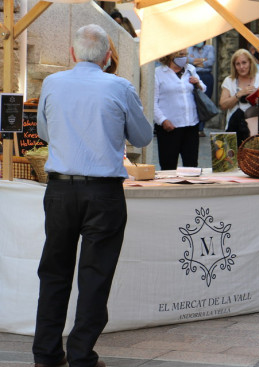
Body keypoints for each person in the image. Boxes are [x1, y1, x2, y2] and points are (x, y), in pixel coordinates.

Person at [33, 24, 152, 367]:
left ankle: (46, 355)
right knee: (95, 275)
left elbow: (44, 131)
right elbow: (142, 137)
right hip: (103, 193)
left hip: (59, 189)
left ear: (72, 54)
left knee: (54, 272)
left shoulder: (52, 83)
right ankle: (82, 355)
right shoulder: (119, 85)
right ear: (108, 56)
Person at [154, 49, 205, 170]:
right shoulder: (158, 73)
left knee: (192, 165)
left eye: (185, 55)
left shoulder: (190, 69)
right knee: (168, 166)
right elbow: (152, 102)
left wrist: (198, 83)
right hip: (170, 127)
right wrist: (162, 120)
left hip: (191, 124)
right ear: (170, 56)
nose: (184, 58)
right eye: (180, 55)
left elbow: (203, 89)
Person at [220, 49, 259, 148]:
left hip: (256, 129)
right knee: (233, 160)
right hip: (234, 128)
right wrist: (239, 94)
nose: (241, 67)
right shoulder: (229, 81)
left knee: (256, 161)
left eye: (244, 63)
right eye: (238, 64)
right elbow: (223, 105)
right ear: (234, 66)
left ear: (250, 62)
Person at [188, 41, 216, 136]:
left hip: (206, 76)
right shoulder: (190, 48)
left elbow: (210, 62)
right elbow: (189, 61)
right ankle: (195, 126)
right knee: (194, 100)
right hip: (195, 76)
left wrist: (196, 61)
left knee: (204, 101)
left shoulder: (209, 48)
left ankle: (201, 128)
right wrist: (203, 60)